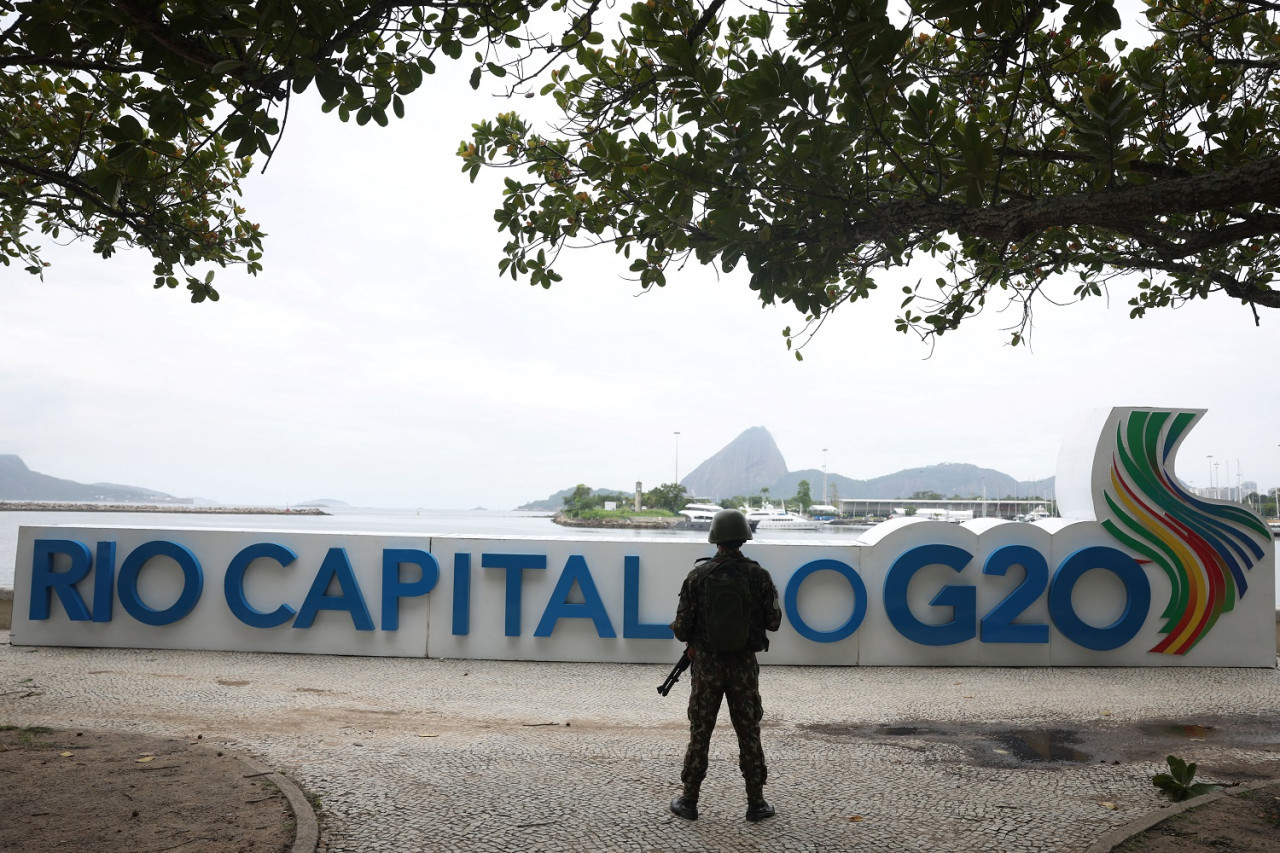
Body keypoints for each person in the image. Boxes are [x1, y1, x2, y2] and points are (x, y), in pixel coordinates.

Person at [668, 508, 782, 823]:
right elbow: (773, 622)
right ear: (743, 537)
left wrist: (695, 640)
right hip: (744, 667)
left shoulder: (698, 576)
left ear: (715, 539)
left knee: (700, 731)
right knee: (749, 731)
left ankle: (689, 801)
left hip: (707, 666)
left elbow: (681, 628)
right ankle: (756, 804)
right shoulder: (759, 575)